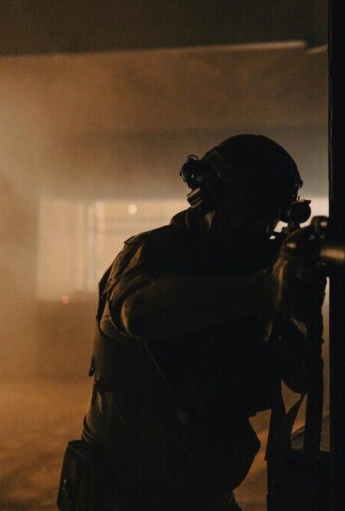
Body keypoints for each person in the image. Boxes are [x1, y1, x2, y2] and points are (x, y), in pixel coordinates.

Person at [58, 134, 325, 510]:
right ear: (210, 199)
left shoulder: (249, 265)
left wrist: (298, 307)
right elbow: (139, 312)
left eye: (272, 216)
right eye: (251, 213)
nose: (262, 229)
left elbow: (298, 376)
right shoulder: (150, 253)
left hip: (204, 494)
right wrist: (261, 290)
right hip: (127, 494)